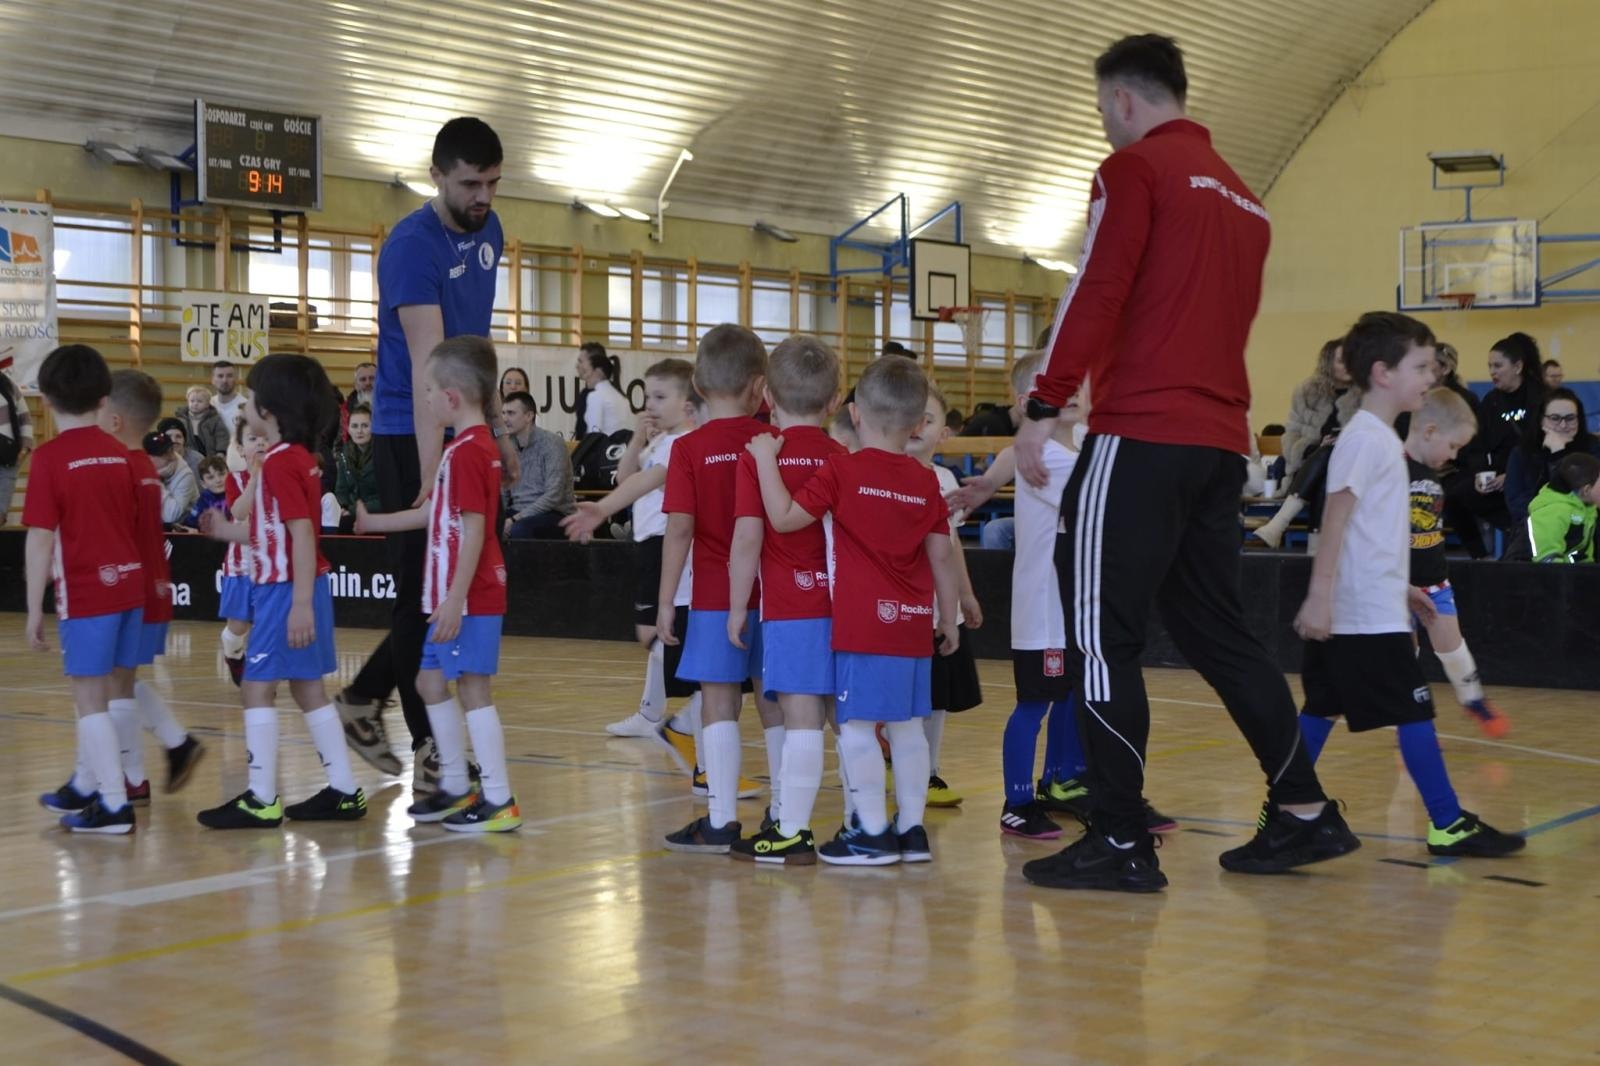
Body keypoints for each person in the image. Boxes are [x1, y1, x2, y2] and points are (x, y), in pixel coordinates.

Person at [1012, 34, 1354, 892]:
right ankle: (1306, 810)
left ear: (1124, 101)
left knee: (1097, 638)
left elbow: (1101, 285)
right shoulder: (1246, 197)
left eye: (1102, 110)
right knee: (1221, 636)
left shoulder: (1133, 172)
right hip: (1219, 444)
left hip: (1138, 435)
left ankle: (1121, 838)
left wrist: (1046, 402)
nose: (1105, 125)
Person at [1292, 311, 1523, 859]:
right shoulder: (1366, 441)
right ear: (1383, 373)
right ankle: (1446, 823)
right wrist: (1320, 597)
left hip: (1373, 603)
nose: (1431, 375)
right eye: (1421, 366)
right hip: (1362, 615)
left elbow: (1371, 536)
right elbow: (1336, 523)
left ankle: (1280, 812)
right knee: (1415, 709)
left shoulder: (1380, 442)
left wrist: (1403, 589)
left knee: (1320, 707)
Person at [338, 117, 517, 790]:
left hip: (460, 426)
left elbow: (473, 357)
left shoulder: (489, 231)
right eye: (471, 183)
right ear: (436, 175)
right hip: (408, 427)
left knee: (455, 586)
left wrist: (494, 429)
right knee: (424, 589)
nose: (484, 197)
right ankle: (428, 748)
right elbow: (427, 369)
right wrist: (428, 469)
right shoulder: (411, 248)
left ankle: (362, 699)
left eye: (494, 183)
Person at [747, 356, 961, 866]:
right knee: (907, 726)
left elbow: (781, 518)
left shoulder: (841, 469)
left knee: (859, 727)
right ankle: (911, 831)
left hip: (863, 626)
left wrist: (762, 460)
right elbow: (943, 555)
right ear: (916, 424)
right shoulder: (926, 480)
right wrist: (947, 618)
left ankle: (869, 832)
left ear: (856, 414)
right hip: (913, 626)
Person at [356, 337, 520, 830]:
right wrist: (376, 523)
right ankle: (453, 784)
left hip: (468, 598)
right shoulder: (462, 448)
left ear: (451, 397)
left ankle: (498, 798)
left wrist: (454, 599)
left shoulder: (471, 452)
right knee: (429, 682)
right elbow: (434, 513)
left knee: (473, 689)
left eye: (427, 390)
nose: (422, 399)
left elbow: (475, 530)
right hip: (450, 598)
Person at [196, 354, 367, 828]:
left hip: (287, 589)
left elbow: (304, 535)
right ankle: (345, 790)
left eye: (250, 398)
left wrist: (298, 604)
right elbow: (274, 530)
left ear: (270, 411)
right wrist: (227, 533)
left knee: (256, 689)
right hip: (296, 586)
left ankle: (261, 797)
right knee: (307, 689)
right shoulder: (293, 460)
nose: (245, 405)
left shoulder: (278, 464)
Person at [950, 358, 1091, 840]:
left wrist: (989, 481)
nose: (1067, 392)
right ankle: (1017, 800)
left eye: (1071, 381)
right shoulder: (1047, 458)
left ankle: (1061, 782)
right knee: (1035, 704)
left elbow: (1013, 451)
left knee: (1072, 694)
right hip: (1043, 608)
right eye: (1050, 388)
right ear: (1025, 404)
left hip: (1071, 606)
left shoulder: (1076, 443)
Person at [658, 324, 783, 853]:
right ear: (760, 387)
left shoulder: (689, 448)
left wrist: (665, 599)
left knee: (718, 703)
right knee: (775, 701)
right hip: (778, 597)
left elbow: (680, 528)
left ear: (699, 385)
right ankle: (782, 815)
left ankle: (722, 819)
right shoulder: (774, 442)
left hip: (712, 597)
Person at [724, 336, 847, 864]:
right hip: (845, 609)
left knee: (799, 720)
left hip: (792, 611)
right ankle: (867, 825)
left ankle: (792, 831)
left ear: (766, 395)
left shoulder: (759, 456)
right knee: (847, 722)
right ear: (836, 401)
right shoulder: (845, 456)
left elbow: (748, 538)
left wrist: (735, 608)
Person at [25, 345, 146, 834]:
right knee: (111, 693)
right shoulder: (123, 455)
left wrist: (33, 608)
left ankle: (114, 805)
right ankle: (87, 782)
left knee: (89, 697)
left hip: (88, 592)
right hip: (129, 588)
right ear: (103, 400)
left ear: (47, 401)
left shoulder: (50, 459)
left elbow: (39, 538)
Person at [94, 371, 207, 805]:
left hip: (131, 586)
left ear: (116, 416)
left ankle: (141, 770)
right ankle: (165, 754)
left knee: (113, 682)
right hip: (150, 583)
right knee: (116, 679)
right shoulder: (143, 468)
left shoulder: (125, 467)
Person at [1403, 387, 1512, 739]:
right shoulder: (1393, 468)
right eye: (1452, 447)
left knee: (1451, 644)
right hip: (1397, 585)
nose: (1453, 456)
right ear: (1430, 431)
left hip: (1434, 580)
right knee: (1406, 654)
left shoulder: (1434, 473)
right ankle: (1410, 723)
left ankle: (1473, 700)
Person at [905, 384, 983, 808]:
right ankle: (895, 765)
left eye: (928, 419)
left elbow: (951, 544)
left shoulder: (945, 479)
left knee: (937, 699)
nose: (918, 425)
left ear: (945, 433)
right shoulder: (880, 473)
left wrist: (965, 595)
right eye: (912, 415)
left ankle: (929, 771)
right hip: (898, 608)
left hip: (938, 608)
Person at [1252, 340, 1359, 549]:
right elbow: (1290, 434)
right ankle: (1314, 548)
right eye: (1341, 360)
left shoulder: (1365, 393)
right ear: (1327, 362)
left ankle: (1280, 526)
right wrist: (1317, 446)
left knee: (1330, 458)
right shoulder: (1306, 391)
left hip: (1351, 469)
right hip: (1309, 465)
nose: (1348, 364)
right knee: (1326, 465)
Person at [1455, 332, 1545, 557]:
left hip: (1529, 477)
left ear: (1517, 367)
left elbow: (1542, 448)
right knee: (1455, 496)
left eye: (1498, 365)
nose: (1492, 372)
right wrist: (1480, 474)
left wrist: (1511, 476)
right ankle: (1480, 555)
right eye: (1489, 366)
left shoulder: (1540, 398)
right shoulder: (1491, 402)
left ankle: (1521, 531)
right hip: (1495, 479)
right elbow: (1476, 445)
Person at [1504, 389, 1600, 559]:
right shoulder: (1522, 452)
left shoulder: (1593, 448)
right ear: (1542, 420)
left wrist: (1558, 454)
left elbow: (1593, 495)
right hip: (1537, 532)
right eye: (1555, 418)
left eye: (1570, 418)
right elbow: (1516, 504)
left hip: (1588, 534)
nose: (1563, 425)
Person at [218, 418, 269, 686]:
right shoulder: (235, 479)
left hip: (272, 567)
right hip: (241, 566)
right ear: (239, 448)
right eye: (252, 439)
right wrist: (255, 480)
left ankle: (260, 676)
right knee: (238, 627)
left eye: (265, 437)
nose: (260, 442)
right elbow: (238, 511)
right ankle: (233, 654)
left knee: (268, 625)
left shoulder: (283, 476)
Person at [501, 390, 576, 538]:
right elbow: (504, 492)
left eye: (511, 413)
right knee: (485, 525)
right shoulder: (507, 446)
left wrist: (515, 519)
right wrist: (498, 517)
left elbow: (554, 496)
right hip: (518, 511)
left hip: (555, 514)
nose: (504, 419)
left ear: (529, 416)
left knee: (519, 530)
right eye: (503, 413)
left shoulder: (552, 443)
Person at [1528, 452, 1599, 562]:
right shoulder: (1553, 511)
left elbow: (1583, 556)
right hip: (1529, 574)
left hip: (1568, 573)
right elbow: (1547, 560)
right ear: (1586, 491)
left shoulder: (1588, 508)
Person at [334, 403, 381, 528]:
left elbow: (385, 497)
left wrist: (352, 510)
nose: (359, 431)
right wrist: (343, 507)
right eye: (354, 426)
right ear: (348, 429)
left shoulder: (383, 453)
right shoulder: (344, 453)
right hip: (351, 513)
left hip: (378, 514)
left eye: (365, 426)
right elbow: (341, 490)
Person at [0, 366, 35, 522]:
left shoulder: (8, 384)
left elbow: (25, 416)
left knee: (1, 511)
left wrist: (26, 446)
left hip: (8, 455)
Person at [574, 342, 630, 437]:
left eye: (581, 361)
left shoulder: (595, 396)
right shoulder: (621, 397)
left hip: (602, 450)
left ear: (597, 369)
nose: (577, 365)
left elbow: (593, 437)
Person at [145, 431, 198, 526]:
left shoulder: (185, 474)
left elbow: (171, 516)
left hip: (183, 529)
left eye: (171, 450)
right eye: (164, 454)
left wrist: (156, 481)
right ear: (149, 458)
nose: (171, 457)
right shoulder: (141, 467)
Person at [175, 385, 229, 458]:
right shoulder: (182, 419)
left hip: (209, 454)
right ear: (188, 402)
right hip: (187, 454)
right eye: (192, 401)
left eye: (199, 401)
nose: (195, 404)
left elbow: (222, 436)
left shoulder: (214, 418)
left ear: (207, 404)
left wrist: (221, 451)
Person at [181, 455, 230, 530]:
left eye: (221, 474)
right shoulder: (204, 499)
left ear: (230, 474)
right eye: (211, 477)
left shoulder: (239, 493)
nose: (218, 480)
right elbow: (190, 523)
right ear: (203, 484)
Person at [339, 361, 377, 441]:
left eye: (372, 378)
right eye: (363, 379)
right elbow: (340, 440)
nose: (368, 383)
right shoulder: (345, 410)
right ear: (355, 384)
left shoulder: (392, 407)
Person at [210, 360, 249, 437]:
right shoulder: (208, 404)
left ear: (235, 379)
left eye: (229, 376)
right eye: (220, 376)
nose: (224, 380)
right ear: (213, 380)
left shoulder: (246, 406)